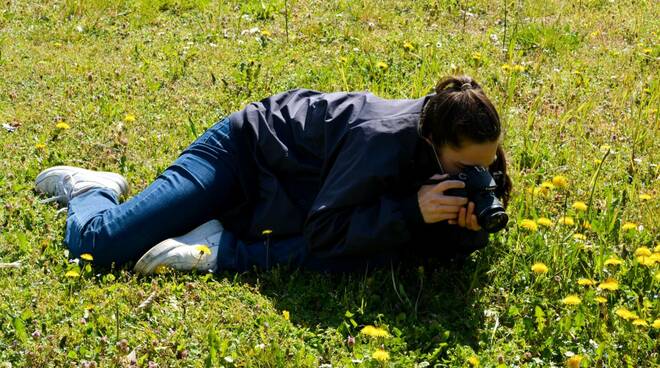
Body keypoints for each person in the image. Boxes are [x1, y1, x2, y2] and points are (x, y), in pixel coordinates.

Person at [34, 75, 512, 274]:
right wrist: (411, 210)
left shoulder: (465, 150)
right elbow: (325, 232)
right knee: (97, 247)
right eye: (467, 167)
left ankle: (220, 243)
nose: (479, 175)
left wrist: (465, 231)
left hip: (289, 193)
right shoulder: (381, 138)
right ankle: (92, 188)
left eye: (486, 164)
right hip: (240, 154)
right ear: (432, 141)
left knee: (374, 245)